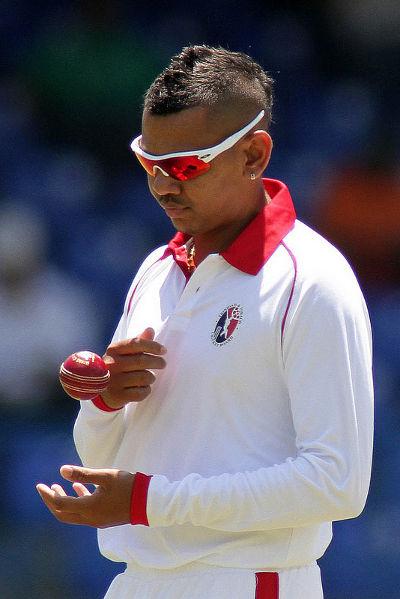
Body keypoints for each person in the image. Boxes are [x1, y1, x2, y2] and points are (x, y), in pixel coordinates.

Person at [36, 45, 374, 599]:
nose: (163, 186)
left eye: (186, 166)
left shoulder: (312, 280)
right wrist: (103, 406)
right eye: (150, 163)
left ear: (253, 155)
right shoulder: (156, 270)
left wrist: (147, 502)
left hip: (249, 584)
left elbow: (338, 484)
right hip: (136, 582)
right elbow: (106, 461)